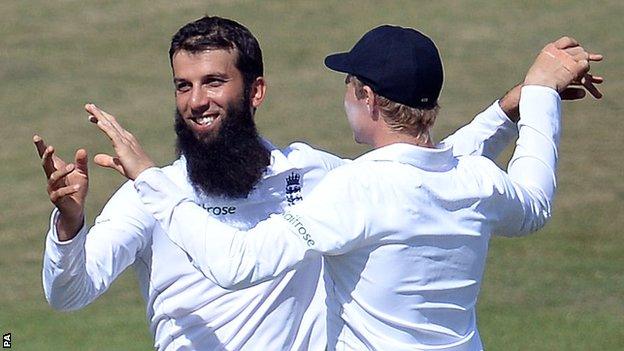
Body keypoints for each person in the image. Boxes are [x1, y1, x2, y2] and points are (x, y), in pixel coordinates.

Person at [34, 17, 591, 350]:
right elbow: (68, 295)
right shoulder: (145, 199)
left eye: (213, 82)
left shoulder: (318, 176)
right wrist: (69, 225)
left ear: (255, 92)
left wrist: (506, 111)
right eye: (183, 86)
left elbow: (416, 176)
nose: (196, 101)